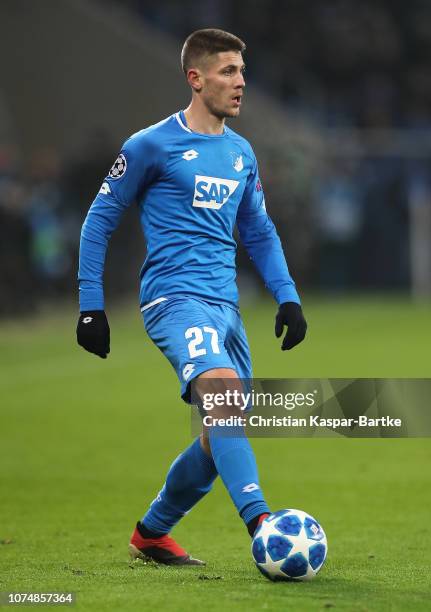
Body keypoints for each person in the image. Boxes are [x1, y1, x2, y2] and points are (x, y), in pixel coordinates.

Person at [76, 28, 307, 566]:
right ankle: (263, 523)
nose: (240, 83)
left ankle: (153, 533)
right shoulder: (150, 145)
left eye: (242, 72)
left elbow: (260, 232)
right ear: (195, 77)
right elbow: (97, 222)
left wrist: (288, 297)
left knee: (218, 434)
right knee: (223, 394)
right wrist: (91, 306)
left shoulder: (240, 152)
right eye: (228, 72)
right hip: (174, 300)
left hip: (226, 306)